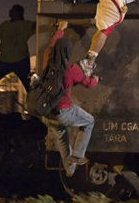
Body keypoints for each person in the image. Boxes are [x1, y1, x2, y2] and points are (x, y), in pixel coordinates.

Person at [41, 21, 99, 177]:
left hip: (48, 113)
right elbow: (89, 83)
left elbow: (51, 47)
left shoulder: (47, 61)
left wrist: (60, 30)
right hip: (64, 111)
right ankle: (78, 155)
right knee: (89, 121)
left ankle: (70, 170)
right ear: (68, 52)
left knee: (62, 138)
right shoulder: (71, 70)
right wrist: (96, 79)